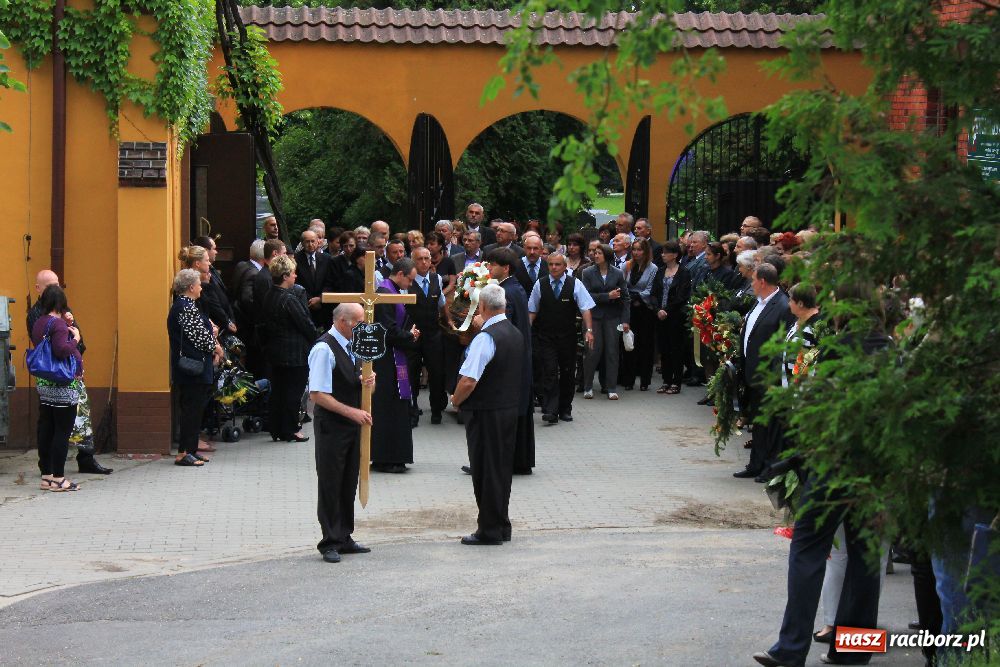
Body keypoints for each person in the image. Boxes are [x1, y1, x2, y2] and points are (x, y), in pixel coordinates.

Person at [452, 284, 522, 545]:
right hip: (507, 409)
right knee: (501, 470)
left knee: (485, 470)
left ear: (481, 307)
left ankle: (489, 529)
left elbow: (469, 380)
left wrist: (456, 399)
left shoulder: (486, 337)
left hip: (485, 412)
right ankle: (501, 523)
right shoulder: (514, 332)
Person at [308, 302, 375, 564]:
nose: (362, 327)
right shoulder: (324, 349)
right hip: (332, 427)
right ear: (343, 321)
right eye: (358, 323)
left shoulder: (353, 347)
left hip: (350, 425)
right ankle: (329, 541)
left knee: (348, 480)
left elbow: (355, 383)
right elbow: (318, 395)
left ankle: (345, 535)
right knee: (330, 482)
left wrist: (369, 383)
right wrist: (352, 413)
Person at [26, 271, 113, 475]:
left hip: (69, 370)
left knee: (81, 417)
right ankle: (50, 469)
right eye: (50, 285)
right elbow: (58, 347)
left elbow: (77, 339)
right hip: (56, 374)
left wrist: (71, 328)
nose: (55, 289)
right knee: (54, 424)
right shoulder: (38, 315)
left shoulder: (63, 310)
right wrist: (72, 340)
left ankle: (85, 458)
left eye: (57, 284)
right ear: (39, 289)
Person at [734, 263, 795, 481]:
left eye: (753, 280)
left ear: (762, 281)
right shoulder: (758, 302)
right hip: (752, 372)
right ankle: (755, 464)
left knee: (770, 423)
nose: (750, 284)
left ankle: (769, 467)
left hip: (768, 376)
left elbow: (783, 345)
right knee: (759, 422)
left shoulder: (783, 306)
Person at [30, 285, 86, 490]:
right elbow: (62, 350)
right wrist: (76, 338)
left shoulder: (39, 322)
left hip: (44, 385)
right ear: (61, 303)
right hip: (63, 385)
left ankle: (46, 476)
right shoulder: (58, 325)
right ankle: (59, 478)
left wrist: (65, 325)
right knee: (62, 432)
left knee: (46, 429)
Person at [528, 252, 595, 423]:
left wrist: (589, 330)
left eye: (557, 265)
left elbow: (586, 308)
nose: (554, 268)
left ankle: (565, 408)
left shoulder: (575, 284)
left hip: (567, 336)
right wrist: (526, 329)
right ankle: (551, 409)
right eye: (550, 264)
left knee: (567, 372)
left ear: (565, 267)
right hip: (546, 336)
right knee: (549, 371)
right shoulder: (540, 284)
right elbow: (532, 309)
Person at [485, 248, 535, 474]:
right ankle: (518, 460)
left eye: (492, 265)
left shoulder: (505, 292)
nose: (488, 268)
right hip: (519, 356)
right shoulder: (516, 288)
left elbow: (504, 326)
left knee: (502, 410)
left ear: (505, 268)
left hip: (507, 360)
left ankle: (498, 461)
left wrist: (481, 324)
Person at [167, 269, 222, 467]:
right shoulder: (185, 307)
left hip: (195, 367)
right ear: (191, 287)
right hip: (193, 369)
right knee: (191, 410)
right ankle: (184, 452)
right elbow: (199, 337)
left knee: (195, 410)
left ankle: (190, 450)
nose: (201, 287)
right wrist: (216, 347)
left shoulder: (187, 306)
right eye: (198, 284)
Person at [370, 258, 421, 473]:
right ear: (400, 274)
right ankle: (386, 457)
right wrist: (409, 336)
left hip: (393, 358)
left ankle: (395, 455)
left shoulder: (392, 292)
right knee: (388, 407)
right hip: (385, 361)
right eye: (410, 280)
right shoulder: (384, 295)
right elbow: (387, 331)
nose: (410, 284)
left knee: (396, 406)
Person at [260, 255, 315, 443]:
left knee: (279, 391)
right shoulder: (289, 299)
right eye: (292, 273)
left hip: (275, 351)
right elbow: (305, 324)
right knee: (294, 392)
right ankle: (291, 428)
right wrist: (315, 338)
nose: (295, 276)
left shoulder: (269, 295)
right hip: (295, 353)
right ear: (284, 276)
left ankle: (277, 428)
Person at [581, 242, 630, 400]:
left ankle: (611, 387)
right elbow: (585, 296)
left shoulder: (617, 273)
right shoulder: (587, 272)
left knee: (612, 352)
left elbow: (625, 298)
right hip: (593, 318)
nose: (595, 255)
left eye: (599, 253)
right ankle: (588, 386)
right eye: (594, 253)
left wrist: (625, 320)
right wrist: (607, 296)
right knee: (592, 351)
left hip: (612, 317)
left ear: (607, 256)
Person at [406, 248, 447, 426]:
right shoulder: (407, 282)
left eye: (426, 258)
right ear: (412, 261)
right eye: (419, 259)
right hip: (413, 334)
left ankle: (436, 410)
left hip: (433, 333)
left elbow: (442, 304)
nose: (423, 262)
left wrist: (451, 323)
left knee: (437, 372)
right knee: (412, 373)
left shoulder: (436, 278)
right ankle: (412, 410)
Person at [650, 241, 692, 394]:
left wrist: (666, 310)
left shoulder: (684, 272)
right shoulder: (660, 271)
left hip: (675, 316)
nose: (662, 255)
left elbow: (682, 296)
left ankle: (676, 382)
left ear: (675, 255)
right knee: (664, 349)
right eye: (662, 252)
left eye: (666, 252)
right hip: (660, 316)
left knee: (676, 349)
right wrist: (657, 310)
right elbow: (653, 293)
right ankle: (666, 380)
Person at [620, 238, 658, 391]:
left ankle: (645, 380)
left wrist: (638, 298)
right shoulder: (626, 266)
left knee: (645, 345)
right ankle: (628, 379)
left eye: (639, 249)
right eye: (634, 249)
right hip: (629, 308)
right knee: (629, 344)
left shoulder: (653, 268)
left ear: (646, 251)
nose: (636, 253)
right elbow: (622, 284)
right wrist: (629, 298)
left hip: (645, 309)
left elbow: (650, 289)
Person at [295, 229, 337, 330]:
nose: (310, 244)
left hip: (324, 308)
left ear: (318, 242)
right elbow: (296, 283)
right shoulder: (295, 260)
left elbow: (330, 281)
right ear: (302, 243)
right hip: (305, 306)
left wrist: (320, 299)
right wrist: (310, 300)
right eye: (307, 241)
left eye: (312, 241)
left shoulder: (327, 259)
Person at [425, 231, 457, 297]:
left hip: (445, 297)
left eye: (432, 244)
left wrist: (440, 295)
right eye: (427, 244)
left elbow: (452, 284)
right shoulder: (423, 261)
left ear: (440, 246)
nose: (428, 246)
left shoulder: (448, 262)